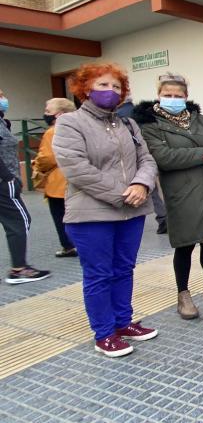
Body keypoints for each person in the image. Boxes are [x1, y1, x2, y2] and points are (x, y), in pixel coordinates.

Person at [53, 62, 159, 357]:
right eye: (102, 85)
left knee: (124, 268)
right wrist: (122, 194)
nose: (110, 91)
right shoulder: (70, 123)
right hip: (92, 215)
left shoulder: (128, 123)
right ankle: (104, 333)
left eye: (116, 87)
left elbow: (146, 159)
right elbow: (76, 169)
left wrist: (141, 185)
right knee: (99, 274)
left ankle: (124, 323)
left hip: (131, 212)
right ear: (85, 89)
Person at [133, 73, 203, 319]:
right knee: (185, 245)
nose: (173, 99)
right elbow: (163, 157)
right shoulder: (150, 125)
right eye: (167, 95)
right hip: (183, 193)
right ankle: (183, 296)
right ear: (158, 96)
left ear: (186, 97)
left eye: (178, 96)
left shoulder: (200, 119)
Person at [0, 89, 51, 284]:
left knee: (16, 221)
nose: (4, 99)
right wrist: (8, 178)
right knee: (19, 221)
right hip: (4, 183)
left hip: (6, 181)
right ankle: (19, 269)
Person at [34, 98, 78, 258]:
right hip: (78, 179)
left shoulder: (52, 131)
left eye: (48, 111)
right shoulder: (79, 127)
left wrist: (37, 165)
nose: (45, 114)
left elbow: (48, 158)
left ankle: (69, 246)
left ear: (59, 114)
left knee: (60, 215)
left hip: (58, 181)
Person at [118, 97, 167, 234]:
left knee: (152, 189)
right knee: (156, 188)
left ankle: (163, 218)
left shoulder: (121, 115)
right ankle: (165, 218)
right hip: (152, 155)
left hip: (136, 160)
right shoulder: (137, 111)